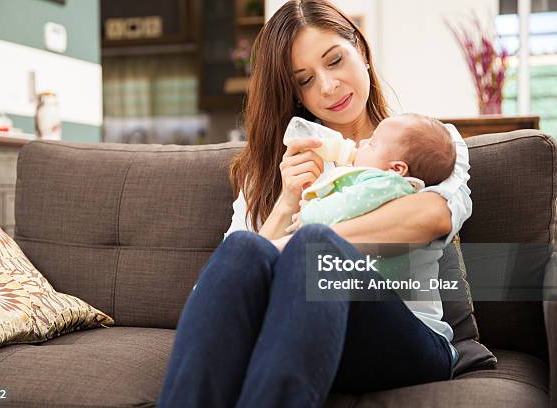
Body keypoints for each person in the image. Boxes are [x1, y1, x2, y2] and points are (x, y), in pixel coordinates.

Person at [157, 1, 472, 407]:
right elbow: (216, 293)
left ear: (360, 47)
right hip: (295, 332)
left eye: (336, 60)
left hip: (405, 335)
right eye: (304, 80)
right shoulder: (272, 171)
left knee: (315, 250)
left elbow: (433, 215)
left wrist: (300, 245)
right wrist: (287, 203)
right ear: (295, 95)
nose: (327, 87)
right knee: (243, 248)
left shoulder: (425, 141)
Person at [290, 113, 456, 229]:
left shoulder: (386, 185)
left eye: (372, 144)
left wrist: (308, 214)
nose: (362, 142)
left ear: (396, 169)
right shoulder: (384, 185)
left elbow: (344, 205)